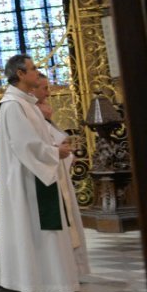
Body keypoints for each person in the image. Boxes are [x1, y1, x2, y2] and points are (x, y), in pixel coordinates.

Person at [0, 56, 79, 292]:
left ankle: (49, 284)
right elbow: (24, 144)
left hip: (38, 175)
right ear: (20, 74)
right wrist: (54, 152)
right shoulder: (12, 105)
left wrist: (53, 150)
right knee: (36, 233)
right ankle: (36, 287)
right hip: (28, 181)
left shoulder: (26, 103)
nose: (38, 72)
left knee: (46, 234)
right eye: (33, 69)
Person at [32, 72, 90, 277]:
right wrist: (60, 151)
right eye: (44, 88)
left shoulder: (42, 113)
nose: (49, 92)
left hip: (59, 174)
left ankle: (72, 269)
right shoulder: (31, 113)